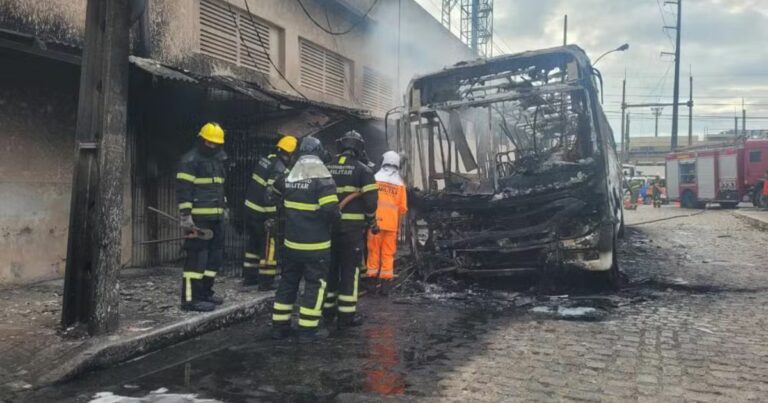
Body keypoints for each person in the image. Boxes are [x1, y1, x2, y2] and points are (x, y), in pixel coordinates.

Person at [271, 137, 340, 342]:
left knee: (288, 282)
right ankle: (307, 330)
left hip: (292, 243)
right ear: (319, 153)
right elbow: (331, 210)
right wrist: (337, 218)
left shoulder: (290, 176)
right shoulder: (323, 178)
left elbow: (273, 193)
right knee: (315, 285)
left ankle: (279, 327)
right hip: (316, 245)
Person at [324, 130, 378, 328]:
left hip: (329, 229)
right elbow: (371, 203)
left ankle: (327, 310)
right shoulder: (363, 170)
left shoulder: (327, 167)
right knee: (349, 271)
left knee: (330, 269)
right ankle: (346, 315)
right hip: (351, 231)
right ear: (360, 148)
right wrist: (372, 221)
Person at [175, 122, 227, 312]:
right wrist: (186, 218)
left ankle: (205, 293)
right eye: (209, 142)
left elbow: (220, 188)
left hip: (217, 218)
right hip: (198, 220)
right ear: (201, 139)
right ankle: (189, 300)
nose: (212, 146)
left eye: (215, 143)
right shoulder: (189, 160)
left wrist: (224, 209)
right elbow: (184, 190)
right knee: (195, 261)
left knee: (213, 260)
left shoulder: (217, 160)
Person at [242, 135, 297, 289]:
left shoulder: (265, 160)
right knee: (268, 246)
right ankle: (266, 282)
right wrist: (273, 214)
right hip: (263, 213)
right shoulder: (280, 169)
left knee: (252, 245)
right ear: (290, 153)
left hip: (249, 209)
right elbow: (270, 194)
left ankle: (250, 277)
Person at [367, 151, 408, 284]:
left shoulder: (374, 178)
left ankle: (372, 281)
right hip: (391, 225)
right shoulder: (400, 184)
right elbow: (402, 208)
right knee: (388, 253)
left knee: (373, 251)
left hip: (375, 223)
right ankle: (385, 284)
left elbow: (368, 201)